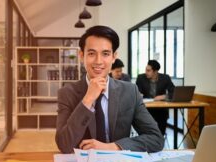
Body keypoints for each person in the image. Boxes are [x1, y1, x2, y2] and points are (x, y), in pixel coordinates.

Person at [56, 25, 164, 153]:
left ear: (114, 57)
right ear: (81, 55)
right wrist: (88, 99)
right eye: (91, 53)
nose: (98, 61)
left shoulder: (130, 92)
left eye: (105, 54)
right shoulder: (67, 93)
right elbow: (64, 145)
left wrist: (113, 147)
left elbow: (156, 139)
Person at [136, 60, 175, 135]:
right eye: (146, 70)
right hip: (146, 109)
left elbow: (173, 92)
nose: (146, 72)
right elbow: (137, 91)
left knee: (160, 132)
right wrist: (139, 94)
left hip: (161, 110)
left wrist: (164, 96)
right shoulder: (141, 78)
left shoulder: (165, 78)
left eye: (148, 70)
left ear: (155, 71)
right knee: (146, 133)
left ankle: (159, 141)